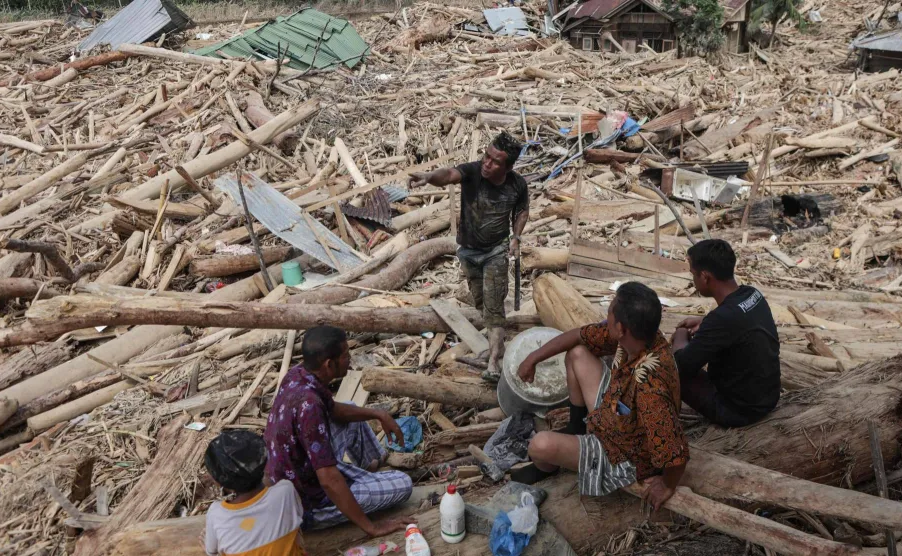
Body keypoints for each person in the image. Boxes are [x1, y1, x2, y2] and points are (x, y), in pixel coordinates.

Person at [510, 282, 689, 510]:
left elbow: (674, 452)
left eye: (609, 314)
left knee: (539, 446)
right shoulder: (640, 337)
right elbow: (578, 336)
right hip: (619, 411)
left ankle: (547, 466)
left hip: (624, 453)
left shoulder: (650, 388)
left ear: (621, 328)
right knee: (577, 353)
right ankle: (577, 426)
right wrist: (533, 357)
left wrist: (666, 484)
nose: (606, 318)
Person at [264, 326, 414, 537]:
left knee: (351, 408)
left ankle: (368, 473)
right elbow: (328, 480)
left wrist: (378, 414)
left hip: (299, 469)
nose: (350, 359)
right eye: (346, 356)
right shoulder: (311, 405)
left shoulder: (297, 374)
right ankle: (361, 487)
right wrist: (371, 527)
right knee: (404, 484)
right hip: (307, 505)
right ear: (329, 364)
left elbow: (334, 410)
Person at [409, 131, 528, 382]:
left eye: (495, 161)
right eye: (486, 156)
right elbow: (450, 174)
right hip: (468, 252)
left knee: (494, 308)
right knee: (482, 304)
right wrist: (430, 177)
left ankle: (494, 363)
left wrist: (516, 237)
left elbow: (522, 211)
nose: (487, 163)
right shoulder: (473, 172)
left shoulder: (517, 185)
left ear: (507, 167)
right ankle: (497, 347)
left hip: (496, 251)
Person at [672, 239, 781, 428]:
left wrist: (681, 333)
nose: (693, 280)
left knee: (668, 369)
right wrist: (705, 321)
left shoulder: (722, 319)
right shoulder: (752, 294)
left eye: (693, 274)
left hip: (740, 412)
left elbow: (680, 366)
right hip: (768, 397)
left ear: (705, 277)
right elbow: (734, 320)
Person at [203, 430, 305, 556]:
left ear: (219, 482)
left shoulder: (216, 514)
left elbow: (211, 551)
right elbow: (299, 516)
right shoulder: (286, 491)